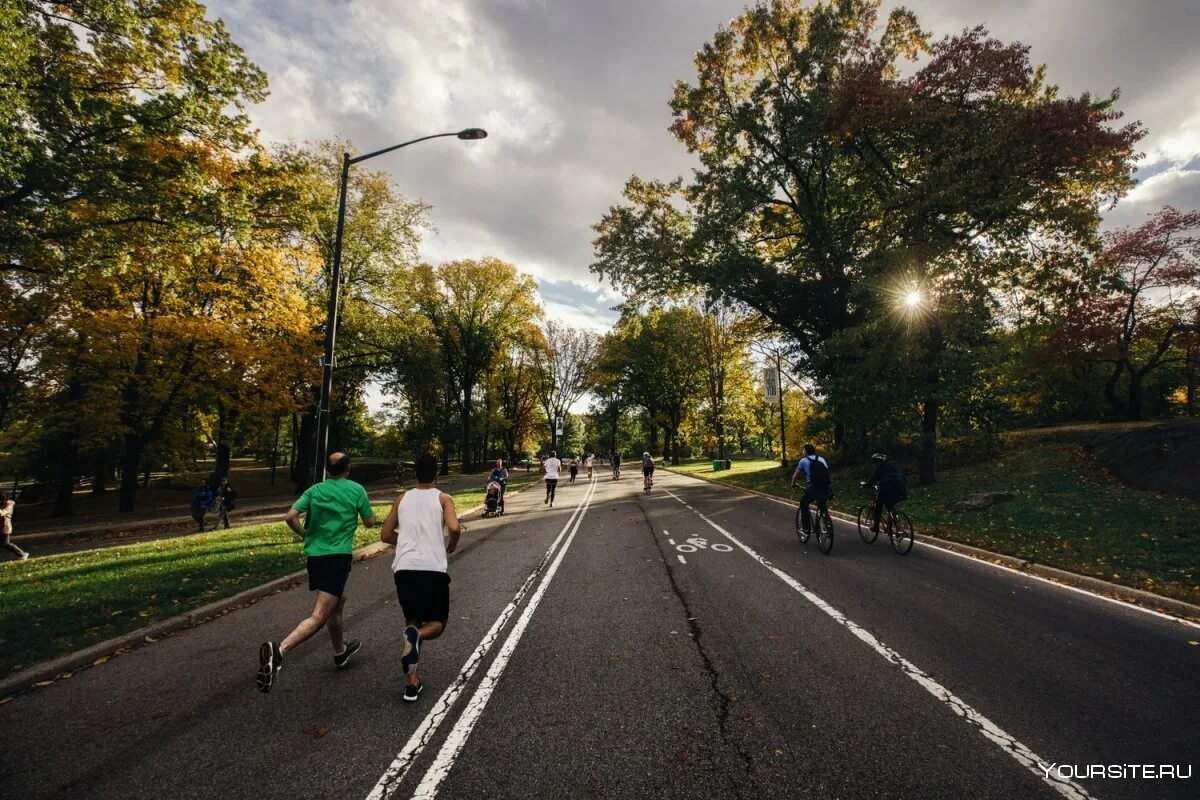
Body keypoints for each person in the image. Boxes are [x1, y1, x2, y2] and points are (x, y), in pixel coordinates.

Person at [256, 452, 376, 694]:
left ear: (327, 470)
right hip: (337, 557)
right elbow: (370, 523)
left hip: (315, 556)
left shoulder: (315, 490)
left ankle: (340, 652)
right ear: (348, 469)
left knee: (337, 602)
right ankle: (280, 651)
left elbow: (290, 516)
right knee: (320, 615)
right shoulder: (356, 490)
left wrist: (305, 534)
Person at [381, 453, 462, 702]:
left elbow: (385, 534)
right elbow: (455, 528)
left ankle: (411, 684)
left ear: (415, 473)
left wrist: (404, 541)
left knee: (413, 620)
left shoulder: (401, 498)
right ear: (436, 474)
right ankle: (418, 639)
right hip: (432, 568)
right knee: (436, 624)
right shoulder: (443, 498)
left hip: (404, 568)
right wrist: (451, 545)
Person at [790, 444, 833, 535]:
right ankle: (826, 522)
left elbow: (796, 476)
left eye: (803, 450)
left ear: (806, 451)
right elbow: (827, 473)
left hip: (813, 487)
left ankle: (806, 528)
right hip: (826, 487)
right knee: (821, 503)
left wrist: (793, 484)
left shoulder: (803, 461)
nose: (802, 452)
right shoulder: (821, 459)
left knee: (803, 503)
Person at [865, 453, 908, 532]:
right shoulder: (892, 466)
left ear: (875, 462)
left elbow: (872, 481)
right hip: (900, 490)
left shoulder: (878, 469)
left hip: (887, 490)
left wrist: (865, 485)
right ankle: (895, 524)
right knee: (890, 504)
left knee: (879, 504)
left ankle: (876, 527)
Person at [0, 491, 28, 560]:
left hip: (4, 527)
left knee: (5, 543)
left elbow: (2, 513)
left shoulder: (9, 504)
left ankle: (22, 554)